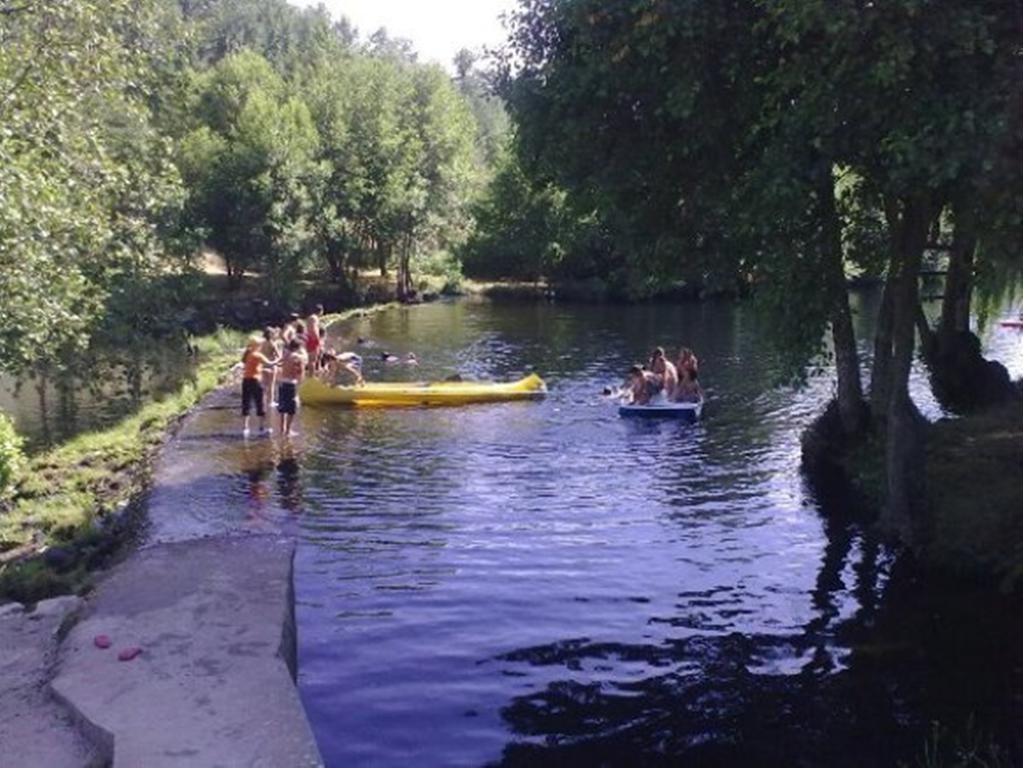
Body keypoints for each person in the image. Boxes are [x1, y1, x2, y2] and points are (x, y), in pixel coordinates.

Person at [241, 336, 275, 436]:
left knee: (246, 403)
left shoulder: (247, 354)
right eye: (260, 344)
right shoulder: (258, 355)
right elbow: (270, 363)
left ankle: (245, 428)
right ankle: (261, 428)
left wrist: (262, 370)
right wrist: (281, 360)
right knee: (260, 402)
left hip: (246, 380)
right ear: (257, 345)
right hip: (256, 381)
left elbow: (251, 367)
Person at [277, 338, 308, 439]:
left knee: (282, 407)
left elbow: (280, 364)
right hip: (291, 384)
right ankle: (288, 430)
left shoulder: (285, 354)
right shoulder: (297, 358)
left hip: (282, 382)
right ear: (298, 347)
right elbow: (299, 373)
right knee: (291, 409)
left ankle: (282, 429)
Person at [259, 327, 281, 415]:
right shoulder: (272, 344)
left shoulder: (261, 343)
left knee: (264, 384)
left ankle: (262, 401)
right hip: (271, 365)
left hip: (263, 365)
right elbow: (279, 356)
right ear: (271, 335)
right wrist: (277, 361)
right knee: (271, 385)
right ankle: (270, 402)